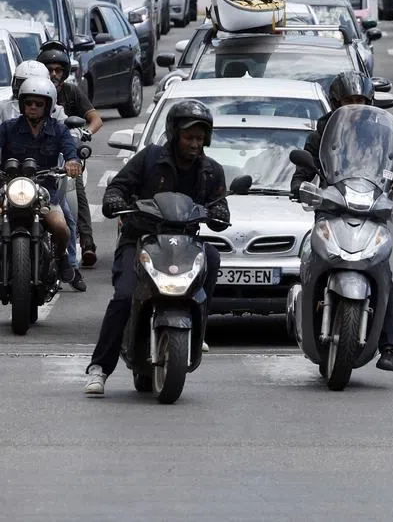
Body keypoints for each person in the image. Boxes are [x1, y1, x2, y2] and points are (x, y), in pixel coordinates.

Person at [83, 99, 228, 397]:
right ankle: (100, 368)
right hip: (141, 240)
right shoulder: (149, 159)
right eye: (189, 137)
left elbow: (218, 204)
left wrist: (221, 213)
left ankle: (199, 324)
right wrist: (114, 200)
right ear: (175, 134)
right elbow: (118, 187)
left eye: (200, 138)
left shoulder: (211, 170)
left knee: (212, 257)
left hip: (186, 243)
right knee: (124, 296)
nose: (195, 144)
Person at [290, 70, 393, 372]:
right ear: (336, 103)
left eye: (360, 100)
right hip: (332, 210)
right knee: (309, 259)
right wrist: (300, 186)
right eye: (349, 100)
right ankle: (306, 310)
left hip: (370, 212)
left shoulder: (380, 137)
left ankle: (389, 345)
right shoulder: (322, 134)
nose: (354, 105)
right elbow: (303, 171)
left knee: (382, 270)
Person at [0, 75, 80, 284]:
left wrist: (73, 162)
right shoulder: (8, 128)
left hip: (45, 192)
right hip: (8, 190)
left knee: (61, 228)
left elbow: (71, 151)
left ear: (48, 106)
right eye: (29, 103)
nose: (33, 107)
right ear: (22, 104)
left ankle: (62, 258)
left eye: (38, 104)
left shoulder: (59, 130)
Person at [39, 42, 102, 270]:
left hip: (62, 159)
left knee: (75, 195)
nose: (54, 74)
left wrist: (83, 135)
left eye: (58, 70)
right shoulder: (23, 99)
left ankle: (83, 247)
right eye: (49, 69)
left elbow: (95, 119)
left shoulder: (70, 93)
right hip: (30, 163)